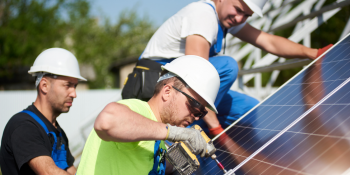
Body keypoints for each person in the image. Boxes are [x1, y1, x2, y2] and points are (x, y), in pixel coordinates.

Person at [127, 0, 333, 137]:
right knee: (226, 67)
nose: (240, 18)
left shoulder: (226, 18)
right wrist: (216, 128)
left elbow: (268, 42)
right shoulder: (203, 14)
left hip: (182, 86)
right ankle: (180, 138)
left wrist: (313, 53)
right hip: (158, 86)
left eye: (247, 15)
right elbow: (196, 78)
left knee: (251, 111)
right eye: (238, 9)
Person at [77, 55, 220, 175]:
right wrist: (178, 133)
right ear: (167, 92)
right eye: (194, 105)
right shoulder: (138, 109)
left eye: (202, 112)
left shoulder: (158, 141)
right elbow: (106, 121)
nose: (196, 116)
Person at [0, 48, 87, 175]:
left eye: (75, 86)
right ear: (44, 85)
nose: (74, 94)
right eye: (68, 85)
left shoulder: (58, 132)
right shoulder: (23, 126)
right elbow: (49, 172)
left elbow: (72, 171)